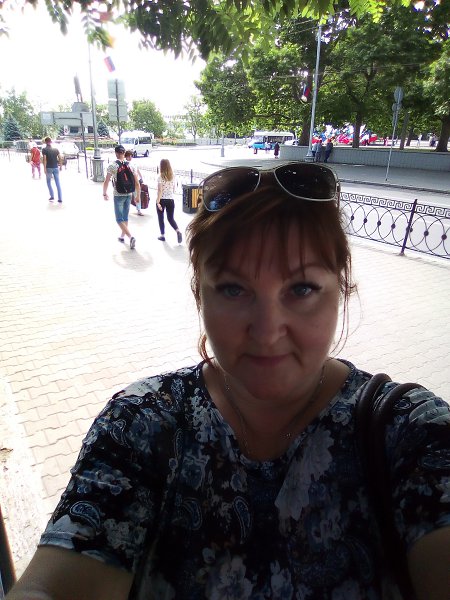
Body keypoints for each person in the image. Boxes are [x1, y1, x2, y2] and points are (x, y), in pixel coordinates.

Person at [6, 162, 450, 600]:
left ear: (342, 288)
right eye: (234, 289)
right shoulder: (141, 424)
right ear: (200, 293)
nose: (267, 331)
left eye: (301, 289)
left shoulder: (408, 430)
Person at [103, 145, 140, 249]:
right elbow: (137, 183)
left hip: (118, 194)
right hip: (129, 194)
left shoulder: (112, 166)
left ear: (116, 153)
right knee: (125, 217)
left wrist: (104, 193)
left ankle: (130, 237)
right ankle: (122, 236)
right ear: (124, 153)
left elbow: (106, 181)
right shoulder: (131, 165)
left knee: (119, 219)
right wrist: (137, 196)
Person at [156, 158, 182, 243]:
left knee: (161, 218)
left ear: (161, 166)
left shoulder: (160, 177)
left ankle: (162, 235)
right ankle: (178, 231)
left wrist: (158, 202)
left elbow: (160, 190)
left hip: (162, 200)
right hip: (171, 200)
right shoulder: (173, 176)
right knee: (170, 218)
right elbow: (174, 189)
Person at [42, 137, 62, 203]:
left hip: (48, 168)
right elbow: (60, 157)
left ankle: (52, 196)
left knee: (48, 182)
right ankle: (60, 198)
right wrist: (60, 166)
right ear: (51, 141)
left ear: (45, 142)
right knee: (58, 183)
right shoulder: (56, 149)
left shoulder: (44, 149)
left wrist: (44, 168)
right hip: (56, 167)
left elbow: (45, 159)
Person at [124, 150, 144, 216]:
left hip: (135, 181)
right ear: (126, 156)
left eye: (131, 156)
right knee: (128, 196)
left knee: (136, 195)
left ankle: (139, 209)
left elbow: (137, 170)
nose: (130, 157)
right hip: (129, 182)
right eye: (128, 156)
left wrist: (141, 177)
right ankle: (127, 209)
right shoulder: (125, 164)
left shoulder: (133, 163)